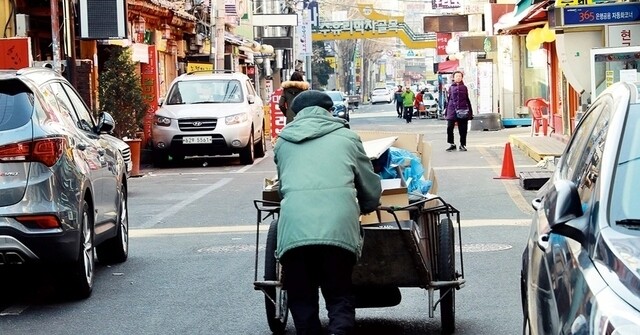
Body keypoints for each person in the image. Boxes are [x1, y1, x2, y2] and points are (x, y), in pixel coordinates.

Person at [273, 90, 382, 335]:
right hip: (338, 228)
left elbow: (282, 186)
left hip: (294, 229)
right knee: (339, 294)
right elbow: (369, 185)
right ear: (329, 111)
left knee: (301, 299)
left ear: (296, 113)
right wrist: (368, 205)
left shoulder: (283, 142)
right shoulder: (347, 137)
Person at [444, 71, 473, 152]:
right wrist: (446, 111)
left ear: (462, 77)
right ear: (453, 78)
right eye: (456, 76)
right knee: (450, 127)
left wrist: (470, 112)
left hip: (463, 109)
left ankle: (462, 144)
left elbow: (467, 99)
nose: (458, 77)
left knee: (463, 128)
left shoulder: (464, 87)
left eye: (460, 76)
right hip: (451, 110)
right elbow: (449, 99)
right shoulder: (451, 87)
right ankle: (452, 144)